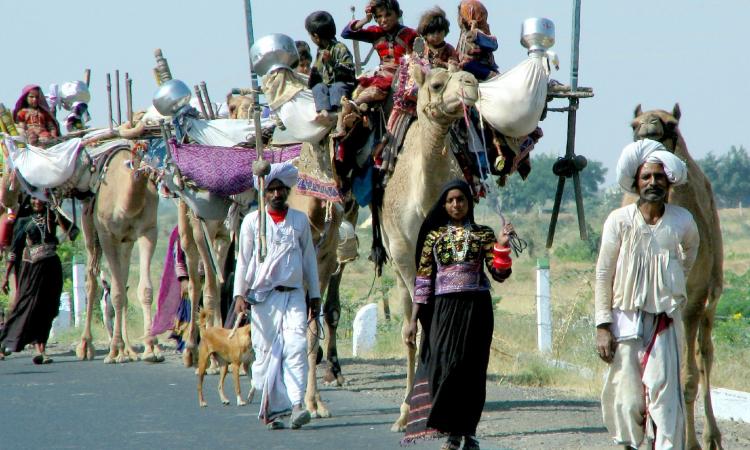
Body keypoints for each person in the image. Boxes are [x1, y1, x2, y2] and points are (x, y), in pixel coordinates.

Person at [596, 139, 698, 450]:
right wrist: (602, 325)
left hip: (664, 319)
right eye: (646, 177)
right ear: (636, 182)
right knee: (627, 398)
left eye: (658, 177)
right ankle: (629, 444)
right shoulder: (619, 220)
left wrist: (672, 280)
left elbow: (691, 252)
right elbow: (603, 273)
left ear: (669, 181)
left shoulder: (681, 220)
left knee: (664, 396)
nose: (652, 182)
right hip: (624, 318)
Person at [401, 179, 515, 450]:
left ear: (469, 203)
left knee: (471, 372)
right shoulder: (433, 237)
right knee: (445, 368)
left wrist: (501, 246)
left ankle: (466, 433)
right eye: (450, 200)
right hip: (443, 310)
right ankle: (452, 430)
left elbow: (499, 275)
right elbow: (424, 279)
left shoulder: (483, 234)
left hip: (476, 308)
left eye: (461, 200)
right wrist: (412, 320)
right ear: (444, 204)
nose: (456, 205)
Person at [233, 161, 321, 430]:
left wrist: (314, 294)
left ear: (287, 191)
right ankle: (271, 410)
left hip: (293, 295)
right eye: (271, 190)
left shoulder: (299, 221)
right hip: (262, 298)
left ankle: (296, 405)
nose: (276, 194)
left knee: (296, 346)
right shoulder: (252, 222)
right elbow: (244, 260)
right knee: (268, 354)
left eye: (280, 189)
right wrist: (239, 294)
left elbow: (309, 259)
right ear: (264, 193)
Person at [0, 197, 75, 363]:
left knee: (48, 308)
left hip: (51, 268)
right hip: (31, 270)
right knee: (27, 306)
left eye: (40, 199)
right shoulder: (24, 221)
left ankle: (41, 349)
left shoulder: (52, 218)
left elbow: (72, 233)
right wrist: (6, 277)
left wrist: (57, 213)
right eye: (33, 198)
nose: (36, 202)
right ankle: (5, 339)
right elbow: (14, 251)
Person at [341, 0, 418, 106]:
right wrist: (366, 20)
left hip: (401, 77)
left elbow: (421, 57)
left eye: (388, 15)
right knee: (358, 88)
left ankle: (354, 105)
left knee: (373, 92)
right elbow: (346, 33)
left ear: (398, 14)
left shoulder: (410, 34)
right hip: (381, 75)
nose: (384, 20)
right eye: (379, 16)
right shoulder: (376, 33)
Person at [305, 11, 356, 127]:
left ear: (316, 37)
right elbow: (317, 74)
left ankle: (340, 117)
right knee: (318, 88)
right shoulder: (320, 52)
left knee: (337, 87)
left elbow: (350, 70)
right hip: (326, 86)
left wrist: (333, 62)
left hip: (342, 84)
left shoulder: (340, 48)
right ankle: (324, 112)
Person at [456, 0, 499, 81]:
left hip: (480, 66)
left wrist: (474, 30)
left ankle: (491, 75)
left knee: (467, 64)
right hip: (464, 67)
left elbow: (493, 45)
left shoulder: (480, 32)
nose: (460, 20)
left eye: (461, 16)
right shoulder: (463, 34)